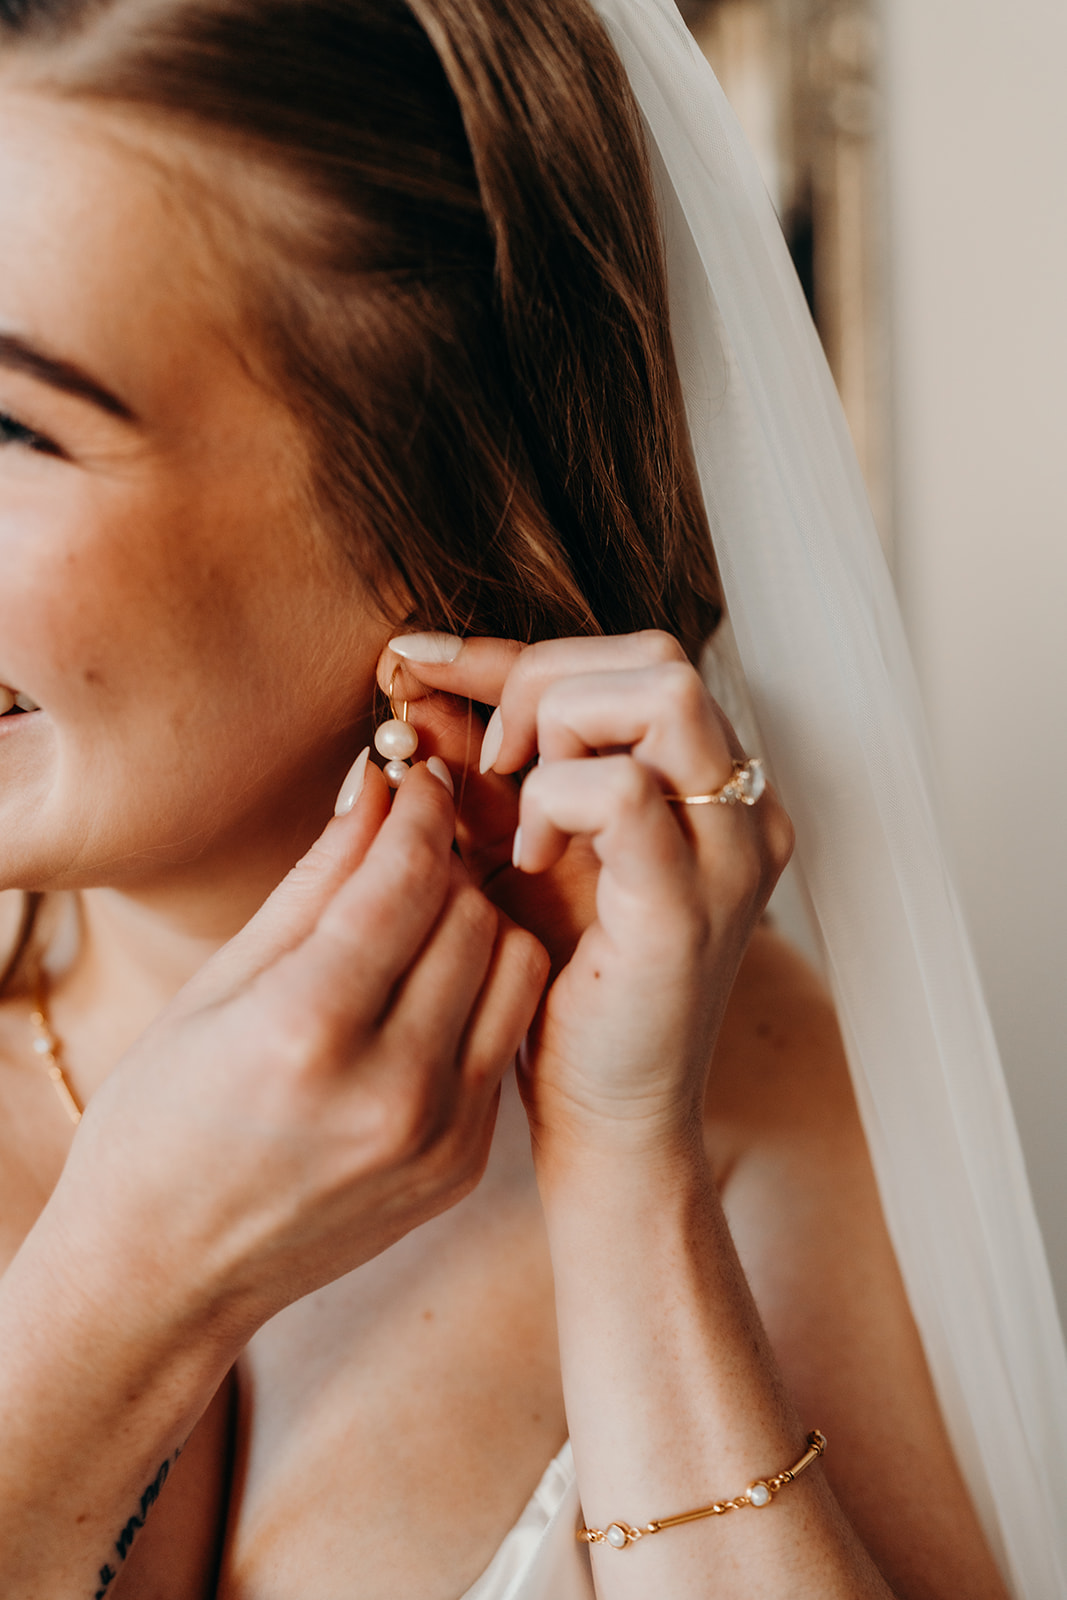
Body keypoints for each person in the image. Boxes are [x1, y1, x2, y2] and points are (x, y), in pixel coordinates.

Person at [0, 0, 1055, 1596]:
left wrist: (628, 1169)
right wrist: (123, 1291)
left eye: (12, 425)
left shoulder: (761, 1103)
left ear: (433, 506)